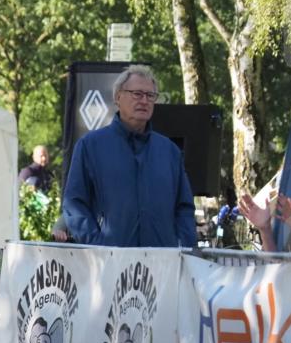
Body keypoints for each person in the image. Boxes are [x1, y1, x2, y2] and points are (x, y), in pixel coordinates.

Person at [62, 65, 197, 248]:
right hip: (111, 263)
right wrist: (97, 245)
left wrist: (183, 247)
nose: (144, 101)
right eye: (137, 94)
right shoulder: (90, 146)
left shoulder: (170, 152)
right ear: (118, 97)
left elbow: (184, 208)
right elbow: (75, 205)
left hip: (163, 264)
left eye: (150, 96)